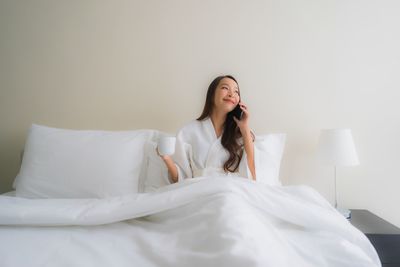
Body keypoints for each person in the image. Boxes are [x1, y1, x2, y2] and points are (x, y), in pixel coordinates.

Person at [158, 75, 256, 183]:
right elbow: (180, 179)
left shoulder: (242, 133)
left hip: (231, 189)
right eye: (225, 88)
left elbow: (252, 173)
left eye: (236, 91)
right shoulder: (189, 131)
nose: (232, 94)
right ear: (212, 94)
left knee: (226, 199)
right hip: (200, 189)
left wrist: (244, 128)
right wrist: (166, 158)